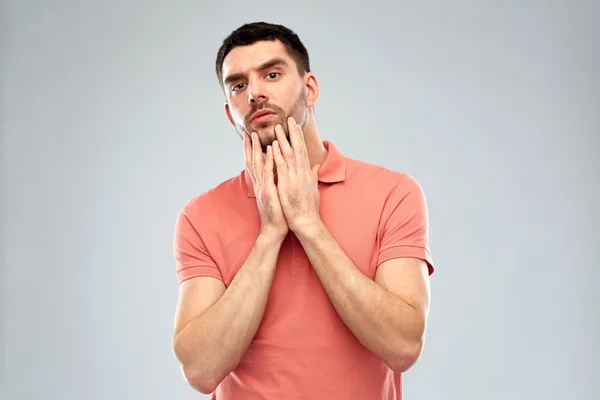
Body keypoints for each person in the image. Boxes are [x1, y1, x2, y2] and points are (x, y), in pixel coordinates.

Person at [171, 21, 435, 400]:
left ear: (310, 89)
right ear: (230, 113)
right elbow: (199, 369)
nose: (255, 93)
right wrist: (270, 234)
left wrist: (309, 223)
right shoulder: (200, 216)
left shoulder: (394, 193)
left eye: (272, 74)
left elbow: (403, 345)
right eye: (238, 85)